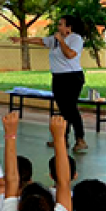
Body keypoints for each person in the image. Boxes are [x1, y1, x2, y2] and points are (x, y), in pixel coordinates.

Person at [11, 15, 88, 152]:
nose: (58, 27)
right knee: (63, 109)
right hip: (58, 77)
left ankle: (80, 138)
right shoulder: (55, 40)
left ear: (69, 27)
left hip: (72, 77)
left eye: (61, 24)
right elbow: (41, 41)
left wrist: (61, 41)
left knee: (71, 108)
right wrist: (22, 39)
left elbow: (70, 54)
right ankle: (62, 138)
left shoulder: (75, 39)